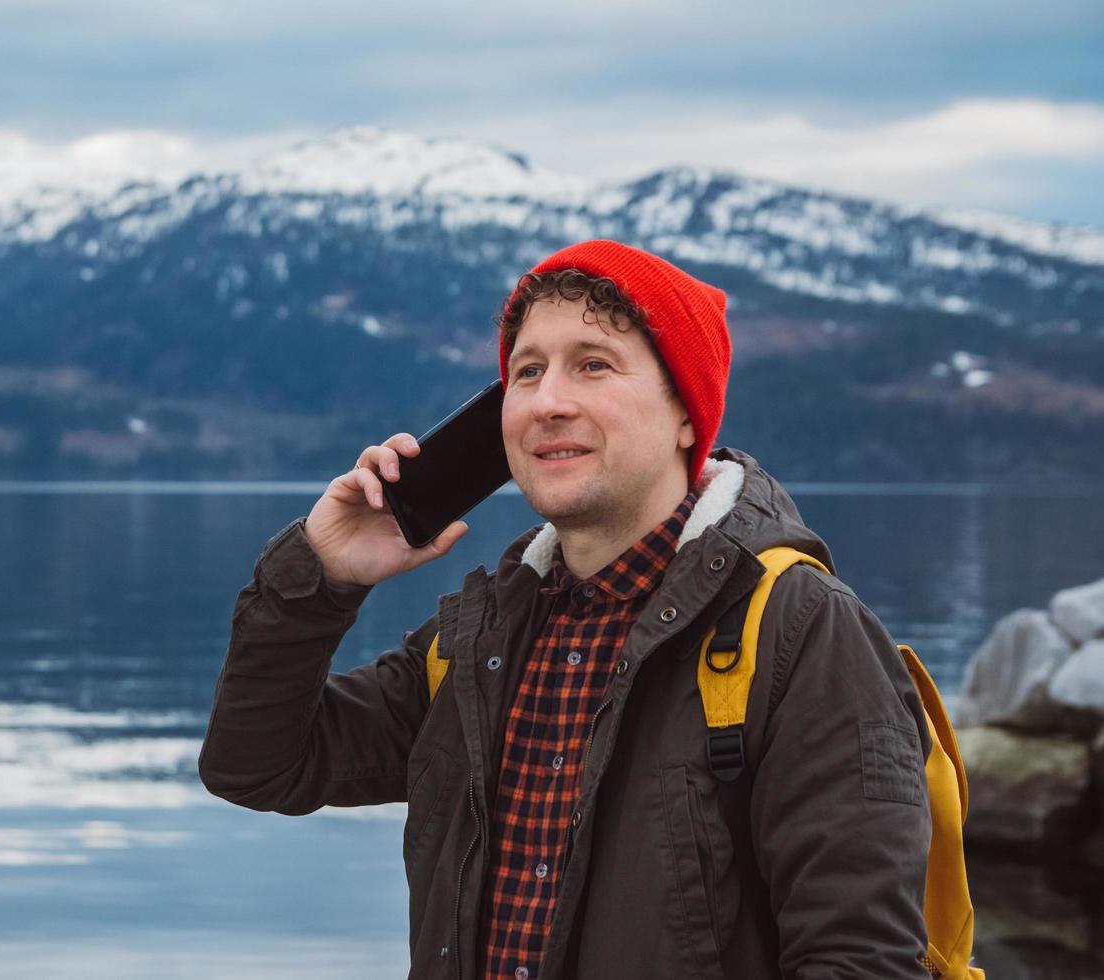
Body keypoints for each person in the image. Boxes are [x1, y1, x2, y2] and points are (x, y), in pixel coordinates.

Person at [198, 240, 933, 979]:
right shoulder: (478, 638)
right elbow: (258, 767)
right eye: (527, 372)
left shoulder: (801, 629)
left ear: (686, 412)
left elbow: (860, 959)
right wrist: (320, 578)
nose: (549, 401)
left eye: (593, 364)